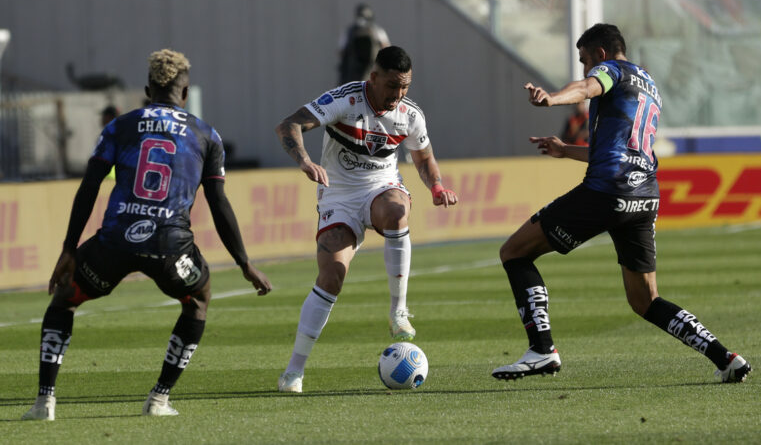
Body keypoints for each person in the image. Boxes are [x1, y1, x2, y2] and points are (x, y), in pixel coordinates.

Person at [492, 24, 751, 384]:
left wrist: (551, 98)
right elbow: (623, 150)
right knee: (646, 300)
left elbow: (585, 88)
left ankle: (542, 350)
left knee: (515, 252)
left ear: (600, 54)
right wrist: (566, 150)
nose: (585, 69)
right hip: (644, 196)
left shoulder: (610, 70)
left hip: (607, 191)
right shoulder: (650, 84)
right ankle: (725, 358)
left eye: (585, 60)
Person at [22, 49, 272, 421]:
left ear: (147, 90)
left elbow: (89, 186)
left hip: (114, 242)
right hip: (170, 248)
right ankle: (158, 399)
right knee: (198, 297)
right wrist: (244, 262)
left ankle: (45, 402)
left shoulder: (120, 126)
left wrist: (69, 248)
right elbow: (219, 202)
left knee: (64, 300)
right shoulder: (206, 135)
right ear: (185, 93)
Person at [275, 45, 458, 393]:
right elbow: (289, 125)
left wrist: (436, 186)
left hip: (382, 186)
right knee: (332, 277)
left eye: (405, 87)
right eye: (392, 85)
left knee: (396, 210)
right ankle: (294, 372)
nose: (398, 94)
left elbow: (423, 158)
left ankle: (398, 311)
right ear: (373, 78)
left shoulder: (410, 114)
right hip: (339, 194)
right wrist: (304, 161)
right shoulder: (344, 100)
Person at [337, 3, 391, 85]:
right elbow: (387, 48)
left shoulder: (376, 30)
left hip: (369, 69)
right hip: (356, 71)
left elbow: (341, 51)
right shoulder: (376, 30)